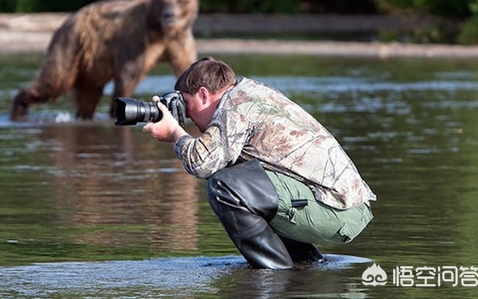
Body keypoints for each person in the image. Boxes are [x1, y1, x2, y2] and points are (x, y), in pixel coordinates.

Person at [143, 57, 376, 269]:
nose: (187, 115)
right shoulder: (249, 93)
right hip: (343, 206)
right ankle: (305, 265)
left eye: (185, 103)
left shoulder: (236, 105)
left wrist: (175, 132)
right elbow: (215, 160)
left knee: (224, 186)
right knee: (240, 179)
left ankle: (275, 273)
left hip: (338, 209)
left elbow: (201, 163)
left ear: (203, 94)